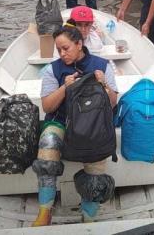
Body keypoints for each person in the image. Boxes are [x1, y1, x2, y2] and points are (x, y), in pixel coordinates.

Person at [31, 24, 118, 226]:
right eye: (58, 49)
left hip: (94, 125)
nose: (62, 54)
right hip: (61, 122)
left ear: (79, 44)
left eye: (66, 48)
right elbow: (47, 105)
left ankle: (88, 214)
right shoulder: (53, 70)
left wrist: (103, 83)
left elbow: (113, 102)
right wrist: (64, 87)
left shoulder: (102, 65)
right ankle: (45, 211)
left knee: (97, 159)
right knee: (48, 142)